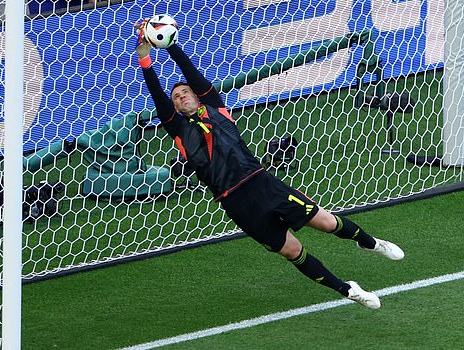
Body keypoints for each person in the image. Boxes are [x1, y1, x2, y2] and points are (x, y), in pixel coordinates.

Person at [134, 20, 404, 309]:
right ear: (174, 107)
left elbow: (191, 73)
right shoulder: (178, 129)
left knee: (325, 222)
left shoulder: (215, 107)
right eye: (176, 97)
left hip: (262, 183)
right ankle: (348, 290)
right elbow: (157, 95)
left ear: (196, 95)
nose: (181, 96)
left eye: (185, 92)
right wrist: (145, 59)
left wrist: (172, 46)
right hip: (235, 202)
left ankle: (369, 242)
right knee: (292, 251)